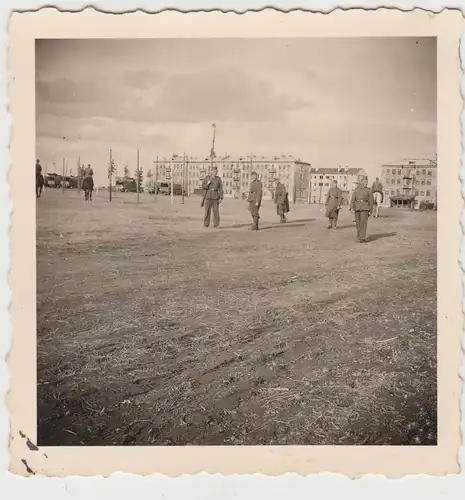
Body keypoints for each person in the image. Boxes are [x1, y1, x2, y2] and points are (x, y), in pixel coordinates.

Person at [350, 176, 374, 243]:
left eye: (367, 181)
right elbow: (353, 198)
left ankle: (361, 238)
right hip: (357, 207)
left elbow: (371, 201)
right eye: (364, 181)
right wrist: (351, 207)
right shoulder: (356, 189)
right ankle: (359, 236)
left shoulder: (369, 190)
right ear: (361, 182)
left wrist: (370, 210)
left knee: (363, 223)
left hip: (365, 208)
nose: (366, 182)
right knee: (358, 223)